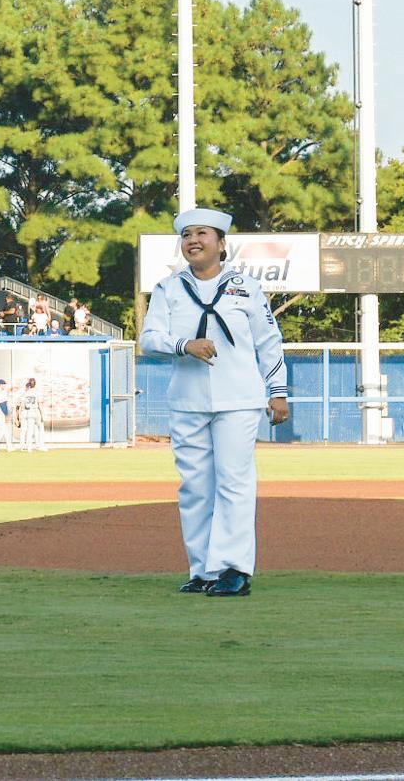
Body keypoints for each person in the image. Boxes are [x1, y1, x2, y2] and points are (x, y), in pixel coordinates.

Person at [139, 208, 290, 598]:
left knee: (234, 482)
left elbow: (268, 342)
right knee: (195, 487)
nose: (193, 240)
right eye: (187, 234)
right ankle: (203, 569)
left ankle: (235, 568)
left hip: (239, 398)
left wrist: (278, 391)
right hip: (187, 401)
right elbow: (149, 339)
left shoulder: (246, 288)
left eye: (202, 233)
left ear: (222, 244)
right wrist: (183, 345)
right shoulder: (168, 289)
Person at [17, 377, 47, 452]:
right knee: (40, 428)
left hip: (27, 411)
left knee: (30, 430)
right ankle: (41, 446)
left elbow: (22, 405)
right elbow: (40, 404)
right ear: (35, 384)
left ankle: (29, 447)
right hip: (35, 411)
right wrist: (42, 414)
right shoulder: (38, 392)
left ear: (29, 384)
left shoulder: (25, 393)